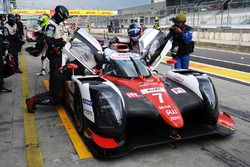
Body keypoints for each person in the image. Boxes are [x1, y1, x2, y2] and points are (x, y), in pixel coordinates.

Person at [26, 5, 69, 113]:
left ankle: (54, 91)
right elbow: (49, 39)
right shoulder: (51, 25)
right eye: (64, 17)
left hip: (56, 58)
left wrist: (62, 43)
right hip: (55, 58)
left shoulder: (54, 24)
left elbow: (54, 38)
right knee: (56, 96)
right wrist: (56, 49)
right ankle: (33, 101)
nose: (64, 20)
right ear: (59, 15)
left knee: (55, 81)